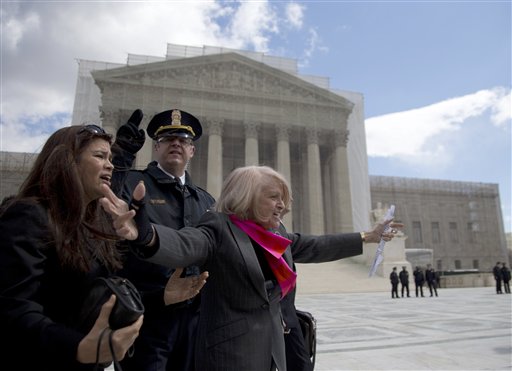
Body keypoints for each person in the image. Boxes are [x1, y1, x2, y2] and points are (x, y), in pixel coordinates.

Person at [103, 165, 402, 371]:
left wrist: (368, 236)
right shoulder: (217, 228)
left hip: (273, 350)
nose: (282, 206)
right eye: (274, 197)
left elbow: (315, 245)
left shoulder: (276, 235)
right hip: (229, 355)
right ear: (246, 196)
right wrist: (144, 234)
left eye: (284, 200)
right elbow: (185, 245)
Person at [0, 125, 143, 371]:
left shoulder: (94, 225)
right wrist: (79, 347)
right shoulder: (29, 215)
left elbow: (113, 281)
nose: (110, 165)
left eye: (111, 158)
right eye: (100, 156)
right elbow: (14, 308)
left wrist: (138, 234)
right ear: (68, 161)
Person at [112, 109, 213, 371]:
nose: (176, 144)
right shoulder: (133, 183)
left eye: (183, 140)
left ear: (192, 151)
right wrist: (120, 157)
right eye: (168, 139)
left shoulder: (205, 200)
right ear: (156, 147)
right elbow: (102, 204)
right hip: (146, 316)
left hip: (193, 320)